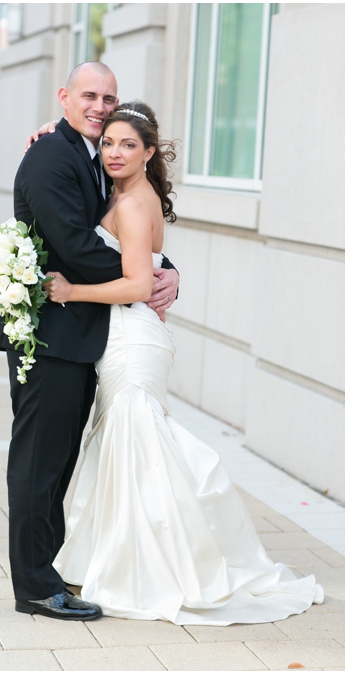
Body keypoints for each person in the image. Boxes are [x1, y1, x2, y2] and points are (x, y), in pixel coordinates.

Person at [40, 100, 323, 624]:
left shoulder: (130, 202)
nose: (115, 152)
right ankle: (119, 555)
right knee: (126, 444)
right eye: (108, 143)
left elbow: (139, 283)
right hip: (130, 333)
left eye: (129, 144)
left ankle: (153, 564)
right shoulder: (124, 194)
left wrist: (70, 289)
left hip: (132, 334)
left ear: (149, 153)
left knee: (138, 441)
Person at [0, 62, 181, 622]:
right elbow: (74, 245)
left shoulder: (91, 156)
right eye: (89, 95)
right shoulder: (52, 155)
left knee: (58, 464)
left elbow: (126, 231)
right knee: (38, 464)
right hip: (49, 334)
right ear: (65, 97)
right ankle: (34, 586)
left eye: (109, 97)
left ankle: (47, 570)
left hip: (78, 335)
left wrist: (161, 269)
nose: (99, 106)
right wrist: (148, 275)